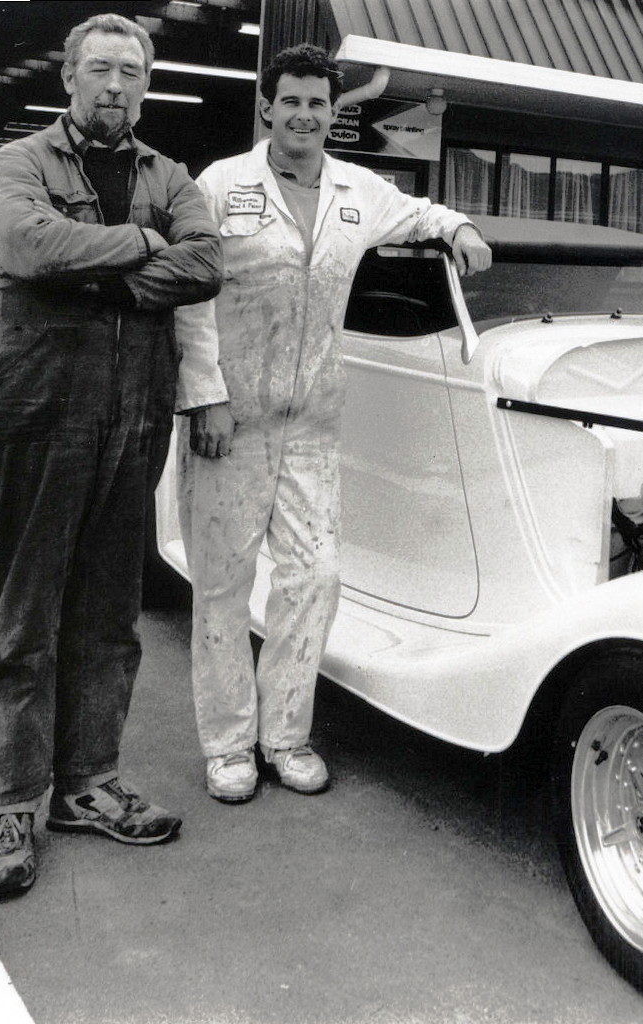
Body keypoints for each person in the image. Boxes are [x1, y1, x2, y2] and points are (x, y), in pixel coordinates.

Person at [174, 44, 491, 805]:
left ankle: (284, 735)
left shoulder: (358, 190)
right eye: (292, 102)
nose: (305, 115)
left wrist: (462, 230)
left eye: (318, 103)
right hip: (231, 420)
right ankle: (227, 747)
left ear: (330, 113)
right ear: (267, 108)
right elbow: (188, 295)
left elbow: (423, 212)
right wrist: (203, 394)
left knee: (315, 577)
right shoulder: (223, 185)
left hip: (312, 423)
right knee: (222, 583)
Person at [0, 13, 223, 899]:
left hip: (134, 414)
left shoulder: (170, 175)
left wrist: (98, 268)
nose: (115, 85)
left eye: (131, 72)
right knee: (28, 611)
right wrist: (143, 246)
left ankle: (86, 783)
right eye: (100, 70)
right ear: (69, 78)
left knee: (110, 612)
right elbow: (24, 246)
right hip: (42, 406)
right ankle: (9, 802)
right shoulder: (20, 164)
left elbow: (206, 265)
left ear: (145, 84)